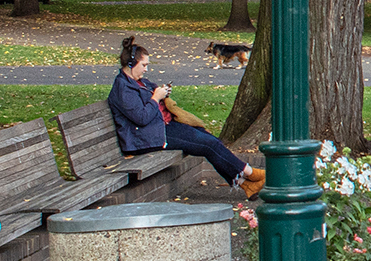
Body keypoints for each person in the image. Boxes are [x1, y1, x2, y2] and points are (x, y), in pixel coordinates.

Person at [110, 38, 265, 198]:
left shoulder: (138, 82)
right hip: (145, 138)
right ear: (130, 64)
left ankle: (245, 184)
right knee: (208, 144)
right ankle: (251, 173)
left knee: (208, 137)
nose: (146, 69)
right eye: (144, 65)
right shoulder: (123, 89)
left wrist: (162, 93)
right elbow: (141, 118)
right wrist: (156, 98)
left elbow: (150, 98)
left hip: (159, 128)